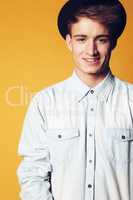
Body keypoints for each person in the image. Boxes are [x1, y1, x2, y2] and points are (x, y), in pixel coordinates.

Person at [17, 0, 133, 200]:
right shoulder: (44, 102)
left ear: (113, 42)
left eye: (101, 39)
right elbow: (32, 175)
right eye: (81, 39)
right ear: (69, 42)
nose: (91, 50)